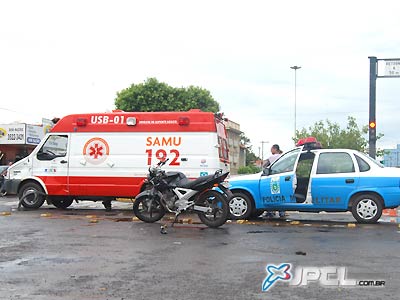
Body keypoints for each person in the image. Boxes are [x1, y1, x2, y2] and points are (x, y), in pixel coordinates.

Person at [262, 145, 286, 218]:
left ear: (275, 149)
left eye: (271, 149)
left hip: (273, 178)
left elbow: (264, 165)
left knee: (272, 195)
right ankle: (282, 212)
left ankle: (271, 212)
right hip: (282, 178)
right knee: (281, 195)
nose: (270, 151)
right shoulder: (283, 156)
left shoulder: (271, 157)